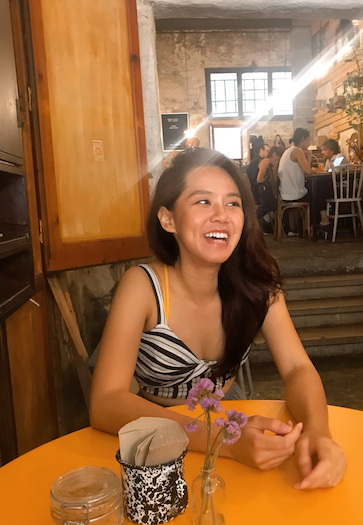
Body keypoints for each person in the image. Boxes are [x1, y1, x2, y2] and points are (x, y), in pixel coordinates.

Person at [90, 148, 346, 490]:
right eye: (202, 202)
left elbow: (298, 368)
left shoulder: (258, 287)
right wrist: (222, 440)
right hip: (155, 433)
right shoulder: (143, 287)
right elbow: (106, 401)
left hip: (229, 417)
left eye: (233, 203)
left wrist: (318, 430)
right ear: (168, 219)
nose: (222, 216)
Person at [277, 128, 317, 235]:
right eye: (308, 140)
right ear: (303, 139)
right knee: (317, 196)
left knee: (312, 194)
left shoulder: (288, 150)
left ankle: (296, 228)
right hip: (294, 194)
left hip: (285, 192)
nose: (309, 143)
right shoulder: (297, 151)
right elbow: (308, 171)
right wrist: (314, 169)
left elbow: (304, 170)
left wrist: (308, 155)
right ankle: (312, 228)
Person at [315, 139, 349, 232]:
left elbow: (332, 173)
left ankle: (324, 219)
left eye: (324, 150)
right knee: (318, 190)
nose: (322, 152)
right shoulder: (328, 161)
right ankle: (323, 219)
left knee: (319, 191)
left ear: (332, 150)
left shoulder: (339, 157)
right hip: (335, 187)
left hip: (344, 189)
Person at [257, 145, 283, 232]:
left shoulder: (269, 163)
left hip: (262, 190)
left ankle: (262, 223)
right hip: (260, 191)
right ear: (274, 154)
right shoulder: (266, 161)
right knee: (277, 206)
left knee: (277, 205)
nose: (279, 160)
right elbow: (260, 179)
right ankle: (261, 223)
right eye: (279, 157)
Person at [245, 141, 269, 205]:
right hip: (255, 193)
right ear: (261, 151)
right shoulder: (263, 161)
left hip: (249, 192)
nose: (269, 153)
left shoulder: (254, 161)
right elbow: (259, 180)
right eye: (267, 151)